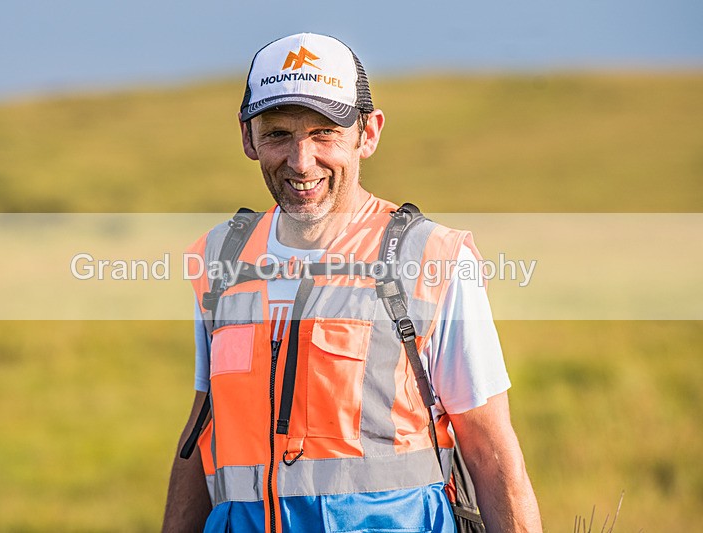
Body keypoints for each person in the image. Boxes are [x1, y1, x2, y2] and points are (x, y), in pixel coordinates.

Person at [162, 32, 542, 533]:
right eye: (278, 134)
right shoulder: (220, 259)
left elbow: (492, 451)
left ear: (368, 133)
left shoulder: (434, 258)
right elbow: (201, 434)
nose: (301, 161)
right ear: (247, 138)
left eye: (324, 133)